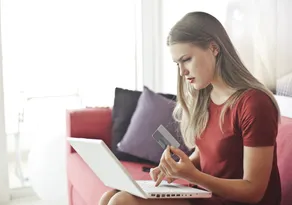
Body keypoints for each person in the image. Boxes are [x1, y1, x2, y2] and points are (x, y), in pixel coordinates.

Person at [98, 11, 281, 205]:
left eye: (186, 59)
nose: (182, 71)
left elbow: (254, 192)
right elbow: (207, 152)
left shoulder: (254, 104)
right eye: (178, 63)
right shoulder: (205, 96)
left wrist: (194, 176)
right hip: (208, 195)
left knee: (122, 201)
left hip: (235, 201)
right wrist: (175, 167)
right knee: (109, 197)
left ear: (213, 48)